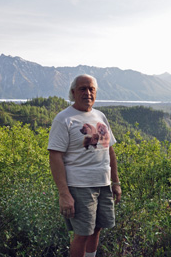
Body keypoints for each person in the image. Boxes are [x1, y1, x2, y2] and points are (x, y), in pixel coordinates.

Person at [48, 74, 122, 257]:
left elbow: (109, 150)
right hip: (79, 186)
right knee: (81, 234)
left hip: (103, 184)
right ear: (73, 92)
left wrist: (116, 182)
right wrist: (64, 194)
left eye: (91, 89)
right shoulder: (64, 119)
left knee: (97, 228)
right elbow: (55, 156)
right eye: (83, 88)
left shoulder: (100, 116)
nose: (88, 93)